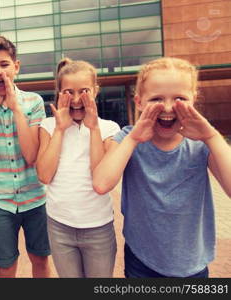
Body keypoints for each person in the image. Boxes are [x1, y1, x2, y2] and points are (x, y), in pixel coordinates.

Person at [93, 57, 231, 278]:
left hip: (192, 264)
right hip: (142, 260)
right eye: (156, 99)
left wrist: (212, 136)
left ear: (193, 99)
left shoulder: (201, 142)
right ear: (138, 102)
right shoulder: (129, 137)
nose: (168, 107)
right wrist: (133, 139)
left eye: (180, 98)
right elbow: (101, 183)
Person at [0, 35, 51, 278]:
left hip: (35, 197)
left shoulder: (33, 101)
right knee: (5, 265)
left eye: (4, 64)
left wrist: (16, 108)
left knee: (40, 258)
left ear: (16, 66)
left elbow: (32, 155)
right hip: (0, 200)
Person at [36, 58, 120, 278]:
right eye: (68, 92)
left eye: (83, 91)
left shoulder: (110, 128)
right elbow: (44, 175)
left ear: (95, 90)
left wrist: (93, 129)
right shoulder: (48, 126)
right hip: (59, 226)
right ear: (59, 92)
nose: (75, 99)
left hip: (98, 227)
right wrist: (60, 129)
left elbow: (100, 178)